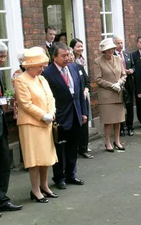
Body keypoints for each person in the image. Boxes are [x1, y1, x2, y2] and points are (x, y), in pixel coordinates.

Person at [14, 47, 58, 203]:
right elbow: (25, 104)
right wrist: (43, 115)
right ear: (30, 66)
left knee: (45, 157)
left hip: (45, 123)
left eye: (43, 65)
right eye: (40, 66)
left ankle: (44, 186)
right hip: (30, 125)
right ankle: (35, 190)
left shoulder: (41, 79)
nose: (43, 68)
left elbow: (50, 98)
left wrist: (51, 112)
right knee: (34, 160)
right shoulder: (20, 80)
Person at [43, 42, 87, 190]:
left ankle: (71, 174)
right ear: (54, 57)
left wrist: (84, 112)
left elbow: (80, 92)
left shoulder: (74, 67)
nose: (68, 58)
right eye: (64, 55)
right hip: (60, 116)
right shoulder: (47, 73)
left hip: (75, 112)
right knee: (59, 148)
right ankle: (59, 177)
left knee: (73, 146)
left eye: (68, 54)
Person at [0, 41, 23, 214]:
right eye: (0, 56)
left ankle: (2, 199)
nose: (3, 60)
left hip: (1, 127)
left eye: (4, 56)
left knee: (4, 163)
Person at [93, 38, 127, 151]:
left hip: (118, 94)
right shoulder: (97, 61)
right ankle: (107, 142)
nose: (111, 51)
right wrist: (112, 85)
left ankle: (117, 141)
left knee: (118, 120)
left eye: (112, 48)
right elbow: (97, 79)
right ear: (103, 50)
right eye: (108, 49)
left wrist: (119, 83)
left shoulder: (118, 59)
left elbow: (124, 75)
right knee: (108, 121)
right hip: (106, 96)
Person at [67, 45, 93, 159]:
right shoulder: (65, 70)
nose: (71, 57)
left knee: (84, 125)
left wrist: (86, 89)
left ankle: (83, 148)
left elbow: (87, 81)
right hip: (72, 102)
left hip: (83, 99)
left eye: (72, 55)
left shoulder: (79, 67)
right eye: (69, 55)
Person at [114, 36, 134, 137]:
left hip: (129, 83)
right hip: (119, 84)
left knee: (130, 106)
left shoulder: (127, 54)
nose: (120, 45)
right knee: (120, 107)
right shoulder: (112, 56)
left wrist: (132, 70)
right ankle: (121, 128)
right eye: (118, 43)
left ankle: (130, 127)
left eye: (121, 43)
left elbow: (133, 65)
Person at [131, 36, 141, 128]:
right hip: (138, 82)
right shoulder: (133, 55)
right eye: (140, 42)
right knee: (140, 103)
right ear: (137, 44)